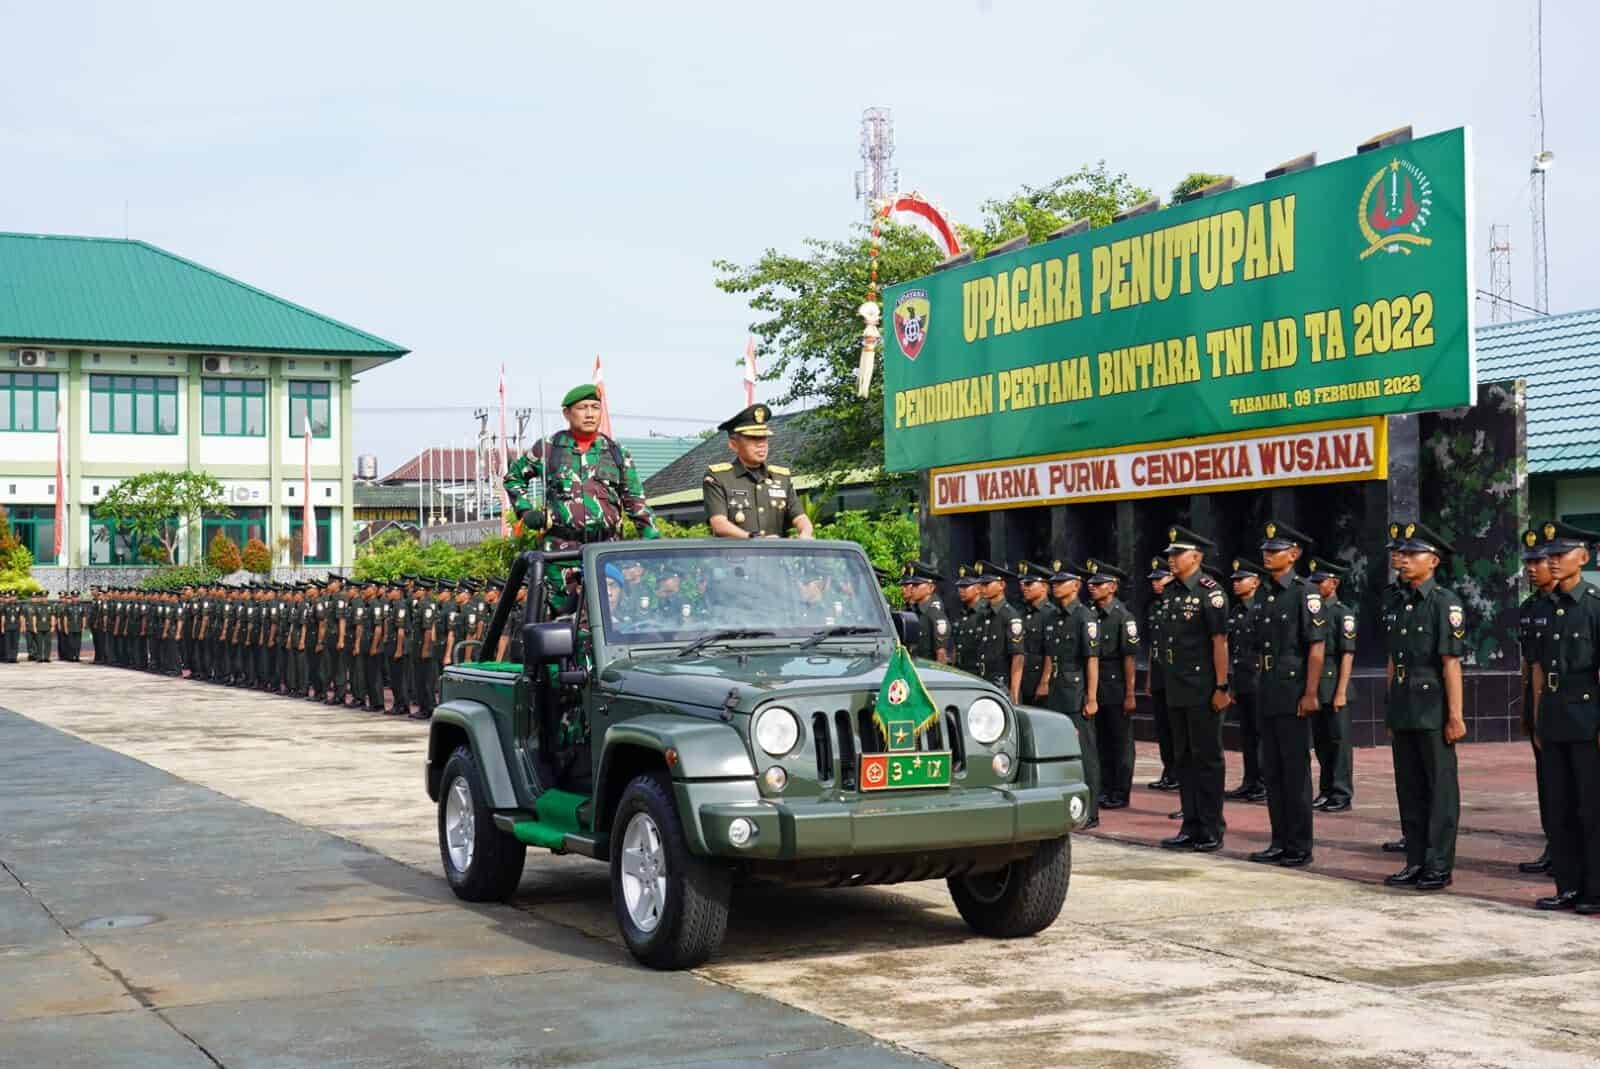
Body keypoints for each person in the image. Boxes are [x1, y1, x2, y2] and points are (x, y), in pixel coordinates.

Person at [1381, 521, 1466, 892]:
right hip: (1403, 704)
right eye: (1399, 554)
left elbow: (1450, 663)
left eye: (1410, 554)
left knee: (1439, 790)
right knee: (1409, 788)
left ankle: (1437, 865)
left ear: (1432, 560)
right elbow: (1390, 661)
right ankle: (1414, 860)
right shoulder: (1397, 600)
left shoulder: (1444, 602)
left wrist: (1455, 715)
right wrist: (1389, 708)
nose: (1401, 560)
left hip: (1433, 707)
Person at [1527, 521, 1600, 913]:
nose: (1552, 562)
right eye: (1550, 556)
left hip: (1587, 717)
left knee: (1591, 808)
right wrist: (1538, 718)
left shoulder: (1593, 606)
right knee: (1559, 807)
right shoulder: (1548, 607)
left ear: (1584, 558)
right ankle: (1568, 886)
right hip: (1553, 715)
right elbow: (1537, 667)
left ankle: (1595, 889)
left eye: (1561, 555)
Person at [1245, 522, 1326, 868]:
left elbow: (1317, 647)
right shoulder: (1264, 593)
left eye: (1274, 550)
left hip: (1294, 690)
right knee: (1272, 771)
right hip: (1269, 689)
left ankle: (1299, 845)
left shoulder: (1305, 593)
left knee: (1295, 772)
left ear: (1293, 555)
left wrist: (1310, 692)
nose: (1267, 555)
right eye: (1265, 549)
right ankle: (1279, 840)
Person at [1159, 526, 1230, 853]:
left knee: (1207, 759)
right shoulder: (1171, 591)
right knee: (1183, 758)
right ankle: (1191, 825)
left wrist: (1221, 685)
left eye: (1178, 554)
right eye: (1170, 554)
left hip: (1203, 688)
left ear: (1197, 557)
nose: (1172, 560)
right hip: (1176, 687)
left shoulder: (1210, 592)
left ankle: (1212, 827)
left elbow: (1219, 643)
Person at [1044, 559, 1101, 826]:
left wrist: (1091, 697)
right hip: (1057, 689)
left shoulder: (1085, 617)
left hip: (1076, 692)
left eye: (1061, 582)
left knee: (1085, 752)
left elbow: (1091, 659)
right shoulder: (1054, 616)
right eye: (1053, 582)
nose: (1055, 587)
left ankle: (1091, 811)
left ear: (1076, 585)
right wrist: (1044, 682)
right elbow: (1049, 656)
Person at [703, 403, 814, 540]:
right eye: (753, 438)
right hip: (735, 559)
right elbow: (719, 524)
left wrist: (805, 533)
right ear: (733, 444)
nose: (761, 444)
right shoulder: (719, 477)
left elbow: (800, 517)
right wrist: (754, 540)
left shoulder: (780, 478)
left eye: (764, 438)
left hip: (775, 559)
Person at [1516, 529, 1556, 876]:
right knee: (1546, 782)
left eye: (1537, 561)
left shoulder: (1573, 606)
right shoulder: (1529, 608)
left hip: (1570, 706)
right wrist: (1527, 709)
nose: (1531, 568)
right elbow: (1530, 665)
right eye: (1527, 562)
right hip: (1538, 704)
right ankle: (1554, 844)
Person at [1085, 560, 1138, 810]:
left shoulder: (1122, 617)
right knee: (1101, 741)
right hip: (1096, 687)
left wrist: (1130, 693)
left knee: (1120, 741)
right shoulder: (1091, 614)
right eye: (1091, 583)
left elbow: (1129, 658)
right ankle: (1105, 787)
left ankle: (1120, 790)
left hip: (1116, 686)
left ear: (1113, 587)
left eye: (1098, 583)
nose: (1092, 587)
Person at [1309, 557, 1358, 814]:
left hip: (1336, 684)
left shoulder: (1343, 613)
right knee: (1322, 742)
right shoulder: (1313, 611)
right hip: (1318, 686)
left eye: (1321, 581)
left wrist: (1341, 691)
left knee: (1339, 743)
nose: (1316, 585)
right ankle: (1326, 789)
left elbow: (1347, 654)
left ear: (1334, 583)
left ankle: (1341, 793)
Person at [1224, 558, 1267, 803]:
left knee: (1260, 734)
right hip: (1242, 680)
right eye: (1235, 580)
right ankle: (1250, 780)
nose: (1237, 583)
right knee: (1247, 735)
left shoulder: (1260, 609)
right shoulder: (1237, 611)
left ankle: (1262, 782)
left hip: (1259, 680)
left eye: (1242, 579)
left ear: (1256, 582)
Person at [1144, 557, 1179, 792]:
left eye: (1161, 578)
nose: (1156, 583)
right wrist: (1148, 676)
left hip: (1175, 673)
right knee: (1163, 728)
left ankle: (1177, 772)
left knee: (1177, 728)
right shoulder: (1154, 606)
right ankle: (1168, 770)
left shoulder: (1177, 603)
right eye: (1154, 579)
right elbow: (1152, 645)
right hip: (1158, 672)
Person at [973, 561, 1023, 697]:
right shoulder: (982, 615)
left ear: (1001, 585)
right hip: (981, 680)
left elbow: (1017, 657)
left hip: (1001, 685)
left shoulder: (1010, 616)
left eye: (987, 584)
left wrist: (1014, 692)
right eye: (981, 584)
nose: (982, 588)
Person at [1015, 561, 1056, 705]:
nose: (1024, 588)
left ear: (1044, 586)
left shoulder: (1050, 613)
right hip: (1023, 679)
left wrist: (1044, 682)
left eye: (1029, 584)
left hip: (1039, 680)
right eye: (1023, 584)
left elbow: (1050, 652)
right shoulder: (1022, 613)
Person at [899, 562, 949, 663]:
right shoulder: (918, 611)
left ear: (930, 588)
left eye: (917, 585)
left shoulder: (934, 613)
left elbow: (941, 655)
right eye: (912, 585)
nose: (912, 588)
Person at [952, 566, 986, 677]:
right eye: (960, 587)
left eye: (965, 586)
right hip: (961, 671)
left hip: (978, 673)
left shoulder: (985, 613)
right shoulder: (962, 613)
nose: (961, 590)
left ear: (978, 588)